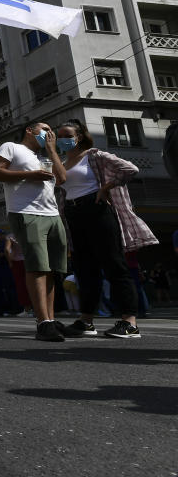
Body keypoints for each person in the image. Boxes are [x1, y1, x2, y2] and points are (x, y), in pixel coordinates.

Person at [54, 119, 159, 339]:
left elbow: (130, 169)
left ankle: (129, 322)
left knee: (113, 265)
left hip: (96, 209)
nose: (61, 139)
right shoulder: (63, 162)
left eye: (66, 135)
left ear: (79, 136)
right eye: (59, 135)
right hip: (74, 215)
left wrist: (106, 187)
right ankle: (86, 321)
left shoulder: (95, 156)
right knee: (84, 269)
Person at [0, 121, 67, 342]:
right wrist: (29, 175)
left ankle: (50, 319)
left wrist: (52, 150)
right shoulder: (12, 147)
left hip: (52, 214)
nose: (48, 133)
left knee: (51, 269)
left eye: (51, 131)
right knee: (37, 267)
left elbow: (61, 179)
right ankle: (42, 322)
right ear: (29, 131)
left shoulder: (47, 156)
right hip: (26, 212)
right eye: (44, 129)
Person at [4, 233, 33, 317]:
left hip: (18, 263)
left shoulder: (11, 236)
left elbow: (6, 249)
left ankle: (28, 310)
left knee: (22, 286)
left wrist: (9, 262)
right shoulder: (28, 232)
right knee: (33, 285)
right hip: (30, 261)